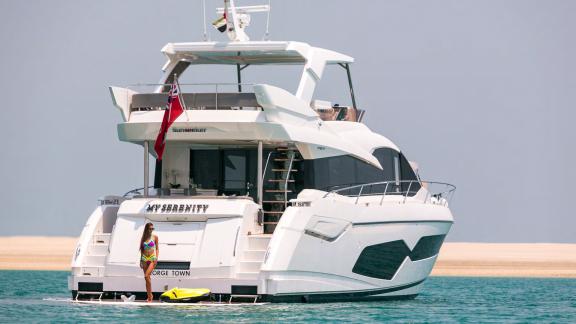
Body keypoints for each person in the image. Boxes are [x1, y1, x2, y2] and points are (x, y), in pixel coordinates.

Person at [139, 222, 159, 302]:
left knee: (146, 276)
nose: (151, 230)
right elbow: (142, 250)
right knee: (147, 278)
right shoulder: (143, 237)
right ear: (146, 229)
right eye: (150, 228)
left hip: (152, 258)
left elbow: (157, 248)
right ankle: (149, 296)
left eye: (152, 229)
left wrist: (156, 258)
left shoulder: (155, 237)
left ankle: (150, 296)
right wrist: (140, 260)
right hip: (144, 258)